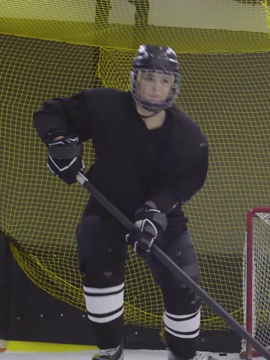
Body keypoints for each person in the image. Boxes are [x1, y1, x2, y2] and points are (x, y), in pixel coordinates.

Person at [33, 45, 212, 360]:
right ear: (135, 79)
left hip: (162, 217)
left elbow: (180, 183)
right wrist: (59, 143)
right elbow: (51, 113)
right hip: (107, 207)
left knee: (185, 287)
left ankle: (183, 355)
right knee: (98, 264)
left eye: (164, 80)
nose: (156, 87)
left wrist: (156, 212)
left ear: (174, 86)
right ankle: (111, 349)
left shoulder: (187, 134)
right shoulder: (105, 105)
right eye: (149, 77)